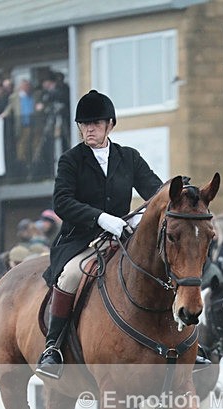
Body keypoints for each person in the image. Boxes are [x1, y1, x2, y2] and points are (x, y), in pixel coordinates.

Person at [36, 89, 164, 378]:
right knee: (70, 276)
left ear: (110, 125)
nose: (88, 129)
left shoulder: (129, 157)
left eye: (94, 123)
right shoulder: (71, 160)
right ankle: (53, 347)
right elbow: (62, 202)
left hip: (123, 236)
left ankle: (185, 342)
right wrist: (101, 218)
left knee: (162, 268)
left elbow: (156, 193)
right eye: (84, 124)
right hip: (81, 239)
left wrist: (141, 217)